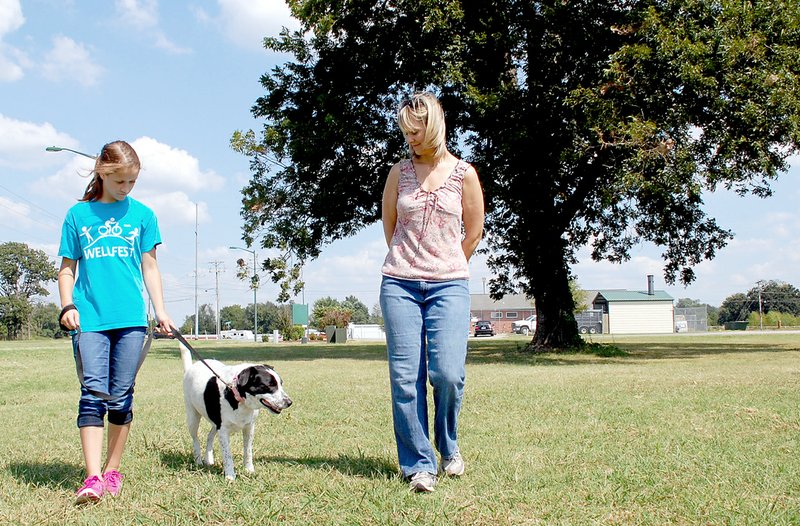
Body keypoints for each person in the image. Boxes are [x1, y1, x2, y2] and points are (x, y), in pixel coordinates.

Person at [57, 140, 176, 504]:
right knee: (93, 394)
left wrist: (161, 311)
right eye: (119, 181)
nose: (125, 189)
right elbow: (66, 269)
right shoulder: (78, 216)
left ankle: (112, 471)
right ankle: (91, 478)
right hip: (90, 319)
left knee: (122, 396)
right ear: (102, 172)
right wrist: (67, 306)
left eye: (132, 183)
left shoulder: (143, 216)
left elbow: (150, 267)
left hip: (130, 321)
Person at [379, 92, 485, 492]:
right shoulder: (398, 173)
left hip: (450, 285)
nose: (409, 138)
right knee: (406, 378)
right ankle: (418, 465)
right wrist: (412, 259)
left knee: (447, 375)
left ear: (434, 126)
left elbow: (473, 231)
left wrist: (446, 262)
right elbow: (390, 227)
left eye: (415, 131)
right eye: (405, 132)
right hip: (400, 283)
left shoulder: (464, 174)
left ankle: (448, 446)